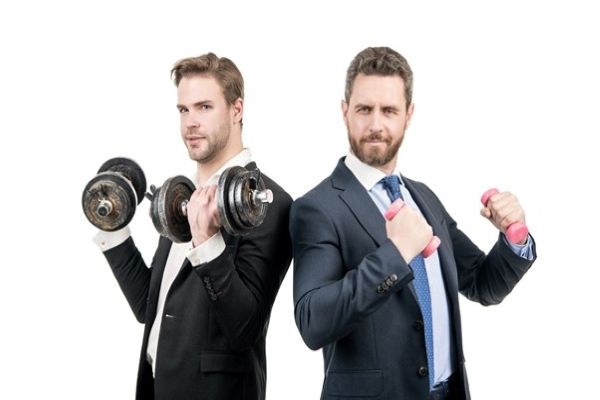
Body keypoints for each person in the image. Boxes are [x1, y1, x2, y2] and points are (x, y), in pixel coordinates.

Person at [290, 46, 537, 400]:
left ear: (409, 114)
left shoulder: (424, 198)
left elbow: (482, 284)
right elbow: (313, 322)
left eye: (389, 110)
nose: (375, 124)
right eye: (364, 109)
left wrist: (514, 238)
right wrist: (396, 253)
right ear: (345, 112)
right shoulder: (317, 208)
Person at [93, 53, 292, 400]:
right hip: (156, 387)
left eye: (204, 107)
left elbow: (244, 330)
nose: (190, 123)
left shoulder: (269, 203)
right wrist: (113, 226)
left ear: (237, 109)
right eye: (183, 110)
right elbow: (148, 305)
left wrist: (208, 242)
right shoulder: (180, 196)